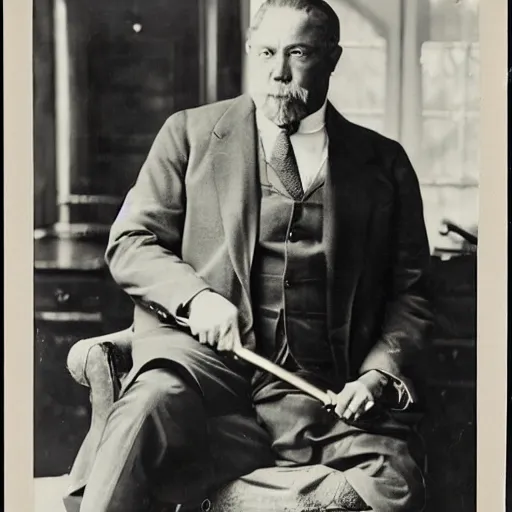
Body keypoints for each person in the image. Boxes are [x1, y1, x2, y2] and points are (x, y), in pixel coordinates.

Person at [69, 1, 432, 511]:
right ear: (249, 53)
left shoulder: (384, 162)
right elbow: (132, 242)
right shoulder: (189, 135)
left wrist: (377, 374)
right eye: (265, 52)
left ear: (332, 58)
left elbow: (410, 293)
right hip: (207, 375)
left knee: (396, 485)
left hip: (317, 395)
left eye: (298, 53)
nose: (277, 72)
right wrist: (196, 299)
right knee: (148, 405)